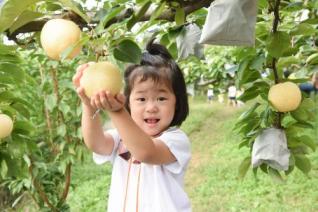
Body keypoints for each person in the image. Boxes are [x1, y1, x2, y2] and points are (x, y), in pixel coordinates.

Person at [72, 40, 191, 212]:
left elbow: (146, 152)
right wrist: (88, 102)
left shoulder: (176, 140)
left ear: (177, 103)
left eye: (161, 99)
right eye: (141, 99)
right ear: (128, 102)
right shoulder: (120, 137)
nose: (151, 108)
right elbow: (96, 143)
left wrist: (117, 112)